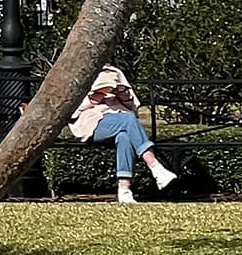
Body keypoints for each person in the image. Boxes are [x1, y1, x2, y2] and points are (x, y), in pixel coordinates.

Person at [71, 66, 178, 204]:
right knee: (128, 119)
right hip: (92, 122)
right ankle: (155, 167)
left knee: (125, 137)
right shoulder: (79, 72)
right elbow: (71, 110)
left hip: (120, 118)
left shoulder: (115, 72)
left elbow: (134, 106)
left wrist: (122, 94)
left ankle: (124, 190)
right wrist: (95, 98)